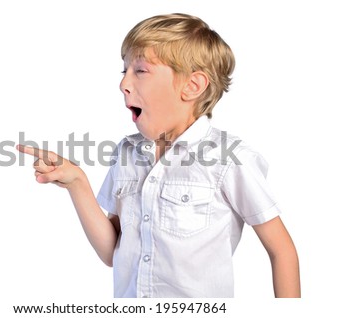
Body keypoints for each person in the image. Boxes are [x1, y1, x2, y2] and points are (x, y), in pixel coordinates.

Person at [17, 13, 300, 298]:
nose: (123, 83)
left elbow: (282, 251)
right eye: (124, 71)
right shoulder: (127, 153)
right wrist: (77, 182)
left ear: (192, 86)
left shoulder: (228, 159)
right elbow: (112, 253)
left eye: (140, 70)